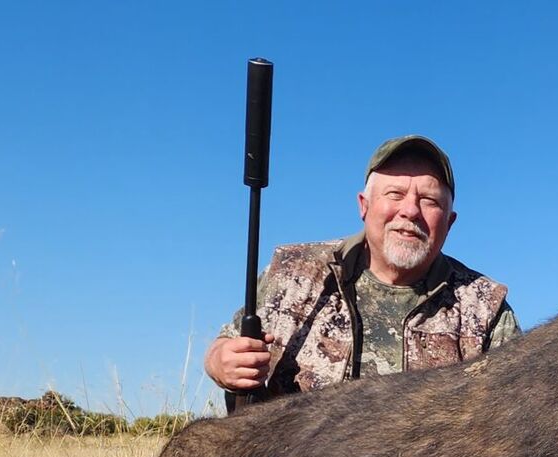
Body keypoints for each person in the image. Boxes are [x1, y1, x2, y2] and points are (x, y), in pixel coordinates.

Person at [205, 135, 520, 401]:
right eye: (395, 194)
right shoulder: (293, 272)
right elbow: (225, 346)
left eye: (429, 200)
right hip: (290, 455)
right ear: (364, 205)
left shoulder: (485, 307)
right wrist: (221, 362)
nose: (410, 210)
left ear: (449, 222)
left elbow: (513, 404)